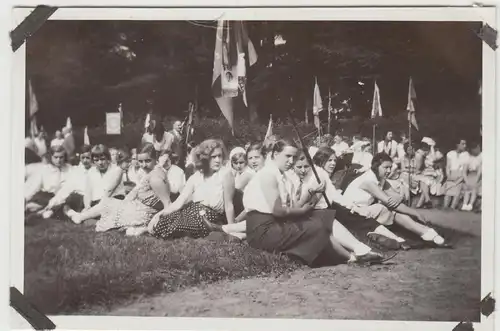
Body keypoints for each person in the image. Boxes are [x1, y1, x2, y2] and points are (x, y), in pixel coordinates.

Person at [236, 138, 389, 267]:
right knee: (315, 226)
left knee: (322, 215)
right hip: (263, 230)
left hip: (275, 223)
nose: (291, 161)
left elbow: (291, 207)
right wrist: (303, 212)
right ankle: (351, 257)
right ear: (275, 154)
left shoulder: (281, 176)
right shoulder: (268, 175)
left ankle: (360, 250)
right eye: (287, 156)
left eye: (293, 157)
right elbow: (278, 211)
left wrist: (311, 194)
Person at [343, 153, 451, 248]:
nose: (389, 171)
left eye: (390, 167)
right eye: (386, 168)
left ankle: (427, 232)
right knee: (389, 210)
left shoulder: (380, 180)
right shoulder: (368, 181)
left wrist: (411, 210)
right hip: (352, 213)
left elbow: (397, 199)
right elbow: (390, 202)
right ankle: (426, 233)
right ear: (376, 167)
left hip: (364, 210)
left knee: (393, 210)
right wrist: (415, 213)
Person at [70, 144, 172, 236]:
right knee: (109, 205)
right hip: (139, 207)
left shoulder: (156, 178)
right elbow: (136, 190)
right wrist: (124, 203)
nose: (143, 165)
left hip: (146, 213)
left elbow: (167, 204)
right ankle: (81, 217)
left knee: (107, 208)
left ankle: (81, 217)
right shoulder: (150, 172)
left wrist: (158, 221)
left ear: (155, 159)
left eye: (148, 161)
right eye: (140, 161)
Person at [148, 139, 236, 239]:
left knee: (177, 227)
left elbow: (229, 205)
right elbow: (179, 201)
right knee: (162, 222)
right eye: (213, 157)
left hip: (209, 217)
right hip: (191, 211)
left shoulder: (225, 174)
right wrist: (159, 214)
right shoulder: (196, 176)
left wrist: (232, 229)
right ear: (205, 158)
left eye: (220, 156)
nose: (218, 160)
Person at [41, 145, 93, 219]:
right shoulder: (77, 171)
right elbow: (67, 188)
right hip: (76, 198)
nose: (85, 160)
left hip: (91, 198)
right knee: (68, 201)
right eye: (82, 158)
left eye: (88, 158)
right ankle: (70, 214)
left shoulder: (95, 170)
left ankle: (75, 215)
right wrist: (52, 203)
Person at [24, 145, 71, 215]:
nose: (58, 160)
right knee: (33, 205)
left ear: (65, 157)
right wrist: (25, 198)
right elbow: (34, 185)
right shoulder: (45, 169)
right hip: (46, 196)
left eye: (61, 157)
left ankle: (46, 211)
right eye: (56, 157)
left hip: (63, 197)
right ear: (51, 157)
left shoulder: (69, 168)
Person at [443, 139, 469, 210]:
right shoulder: (450, 153)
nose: (465, 146)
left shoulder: (466, 155)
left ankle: (452, 208)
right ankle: (445, 208)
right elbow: (448, 167)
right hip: (451, 175)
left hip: (460, 176)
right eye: (462, 144)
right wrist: (449, 177)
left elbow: (464, 171)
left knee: (457, 192)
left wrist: (458, 181)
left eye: (465, 144)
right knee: (448, 192)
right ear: (457, 144)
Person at [461, 142, 482, 211]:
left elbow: (479, 171)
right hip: (469, 175)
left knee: (474, 189)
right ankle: (464, 204)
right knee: (467, 190)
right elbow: (464, 171)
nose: (474, 151)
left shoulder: (479, 159)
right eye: (472, 149)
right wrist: (466, 181)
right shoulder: (468, 158)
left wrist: (476, 179)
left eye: (475, 148)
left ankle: (470, 204)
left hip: (476, 176)